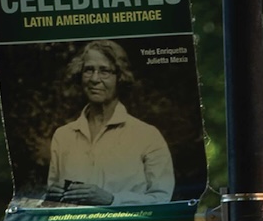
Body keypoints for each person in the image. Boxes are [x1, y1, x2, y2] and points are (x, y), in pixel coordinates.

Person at [43, 41, 173, 207]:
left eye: (104, 71)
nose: (94, 79)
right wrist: (51, 198)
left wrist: (112, 200)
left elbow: (162, 200)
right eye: (88, 70)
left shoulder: (148, 136)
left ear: (120, 77)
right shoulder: (63, 136)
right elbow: (51, 204)